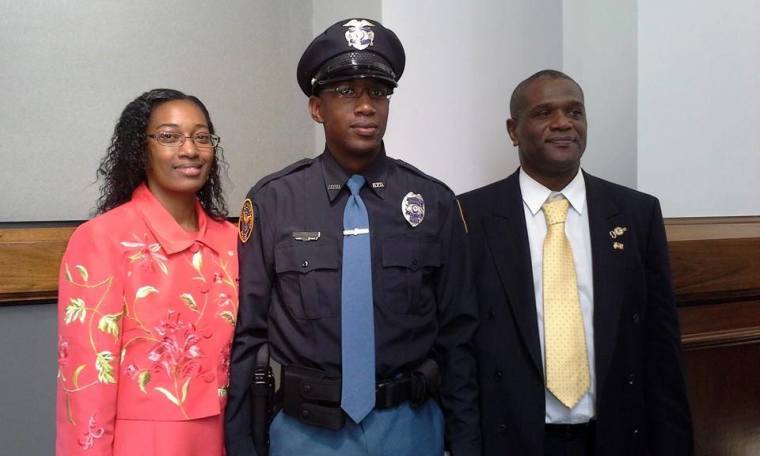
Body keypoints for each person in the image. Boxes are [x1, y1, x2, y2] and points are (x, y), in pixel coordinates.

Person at [225, 18, 481, 456]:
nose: (366, 106)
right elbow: (249, 336)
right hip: (305, 434)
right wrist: (243, 443)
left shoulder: (433, 202)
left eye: (378, 92)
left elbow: (459, 337)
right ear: (316, 107)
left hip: (411, 428)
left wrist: (467, 443)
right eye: (346, 91)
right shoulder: (273, 202)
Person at [459, 70, 693, 455]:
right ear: (513, 130)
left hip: (616, 438)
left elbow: (661, 346)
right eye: (543, 113)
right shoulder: (470, 216)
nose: (563, 123)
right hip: (512, 439)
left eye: (574, 112)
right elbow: (460, 350)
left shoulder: (636, 214)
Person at [55, 89, 239, 455]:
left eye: (201, 137)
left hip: (225, 435)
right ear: (141, 149)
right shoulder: (103, 238)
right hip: (140, 443)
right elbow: (88, 378)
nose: (190, 150)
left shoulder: (232, 240)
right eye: (169, 137)